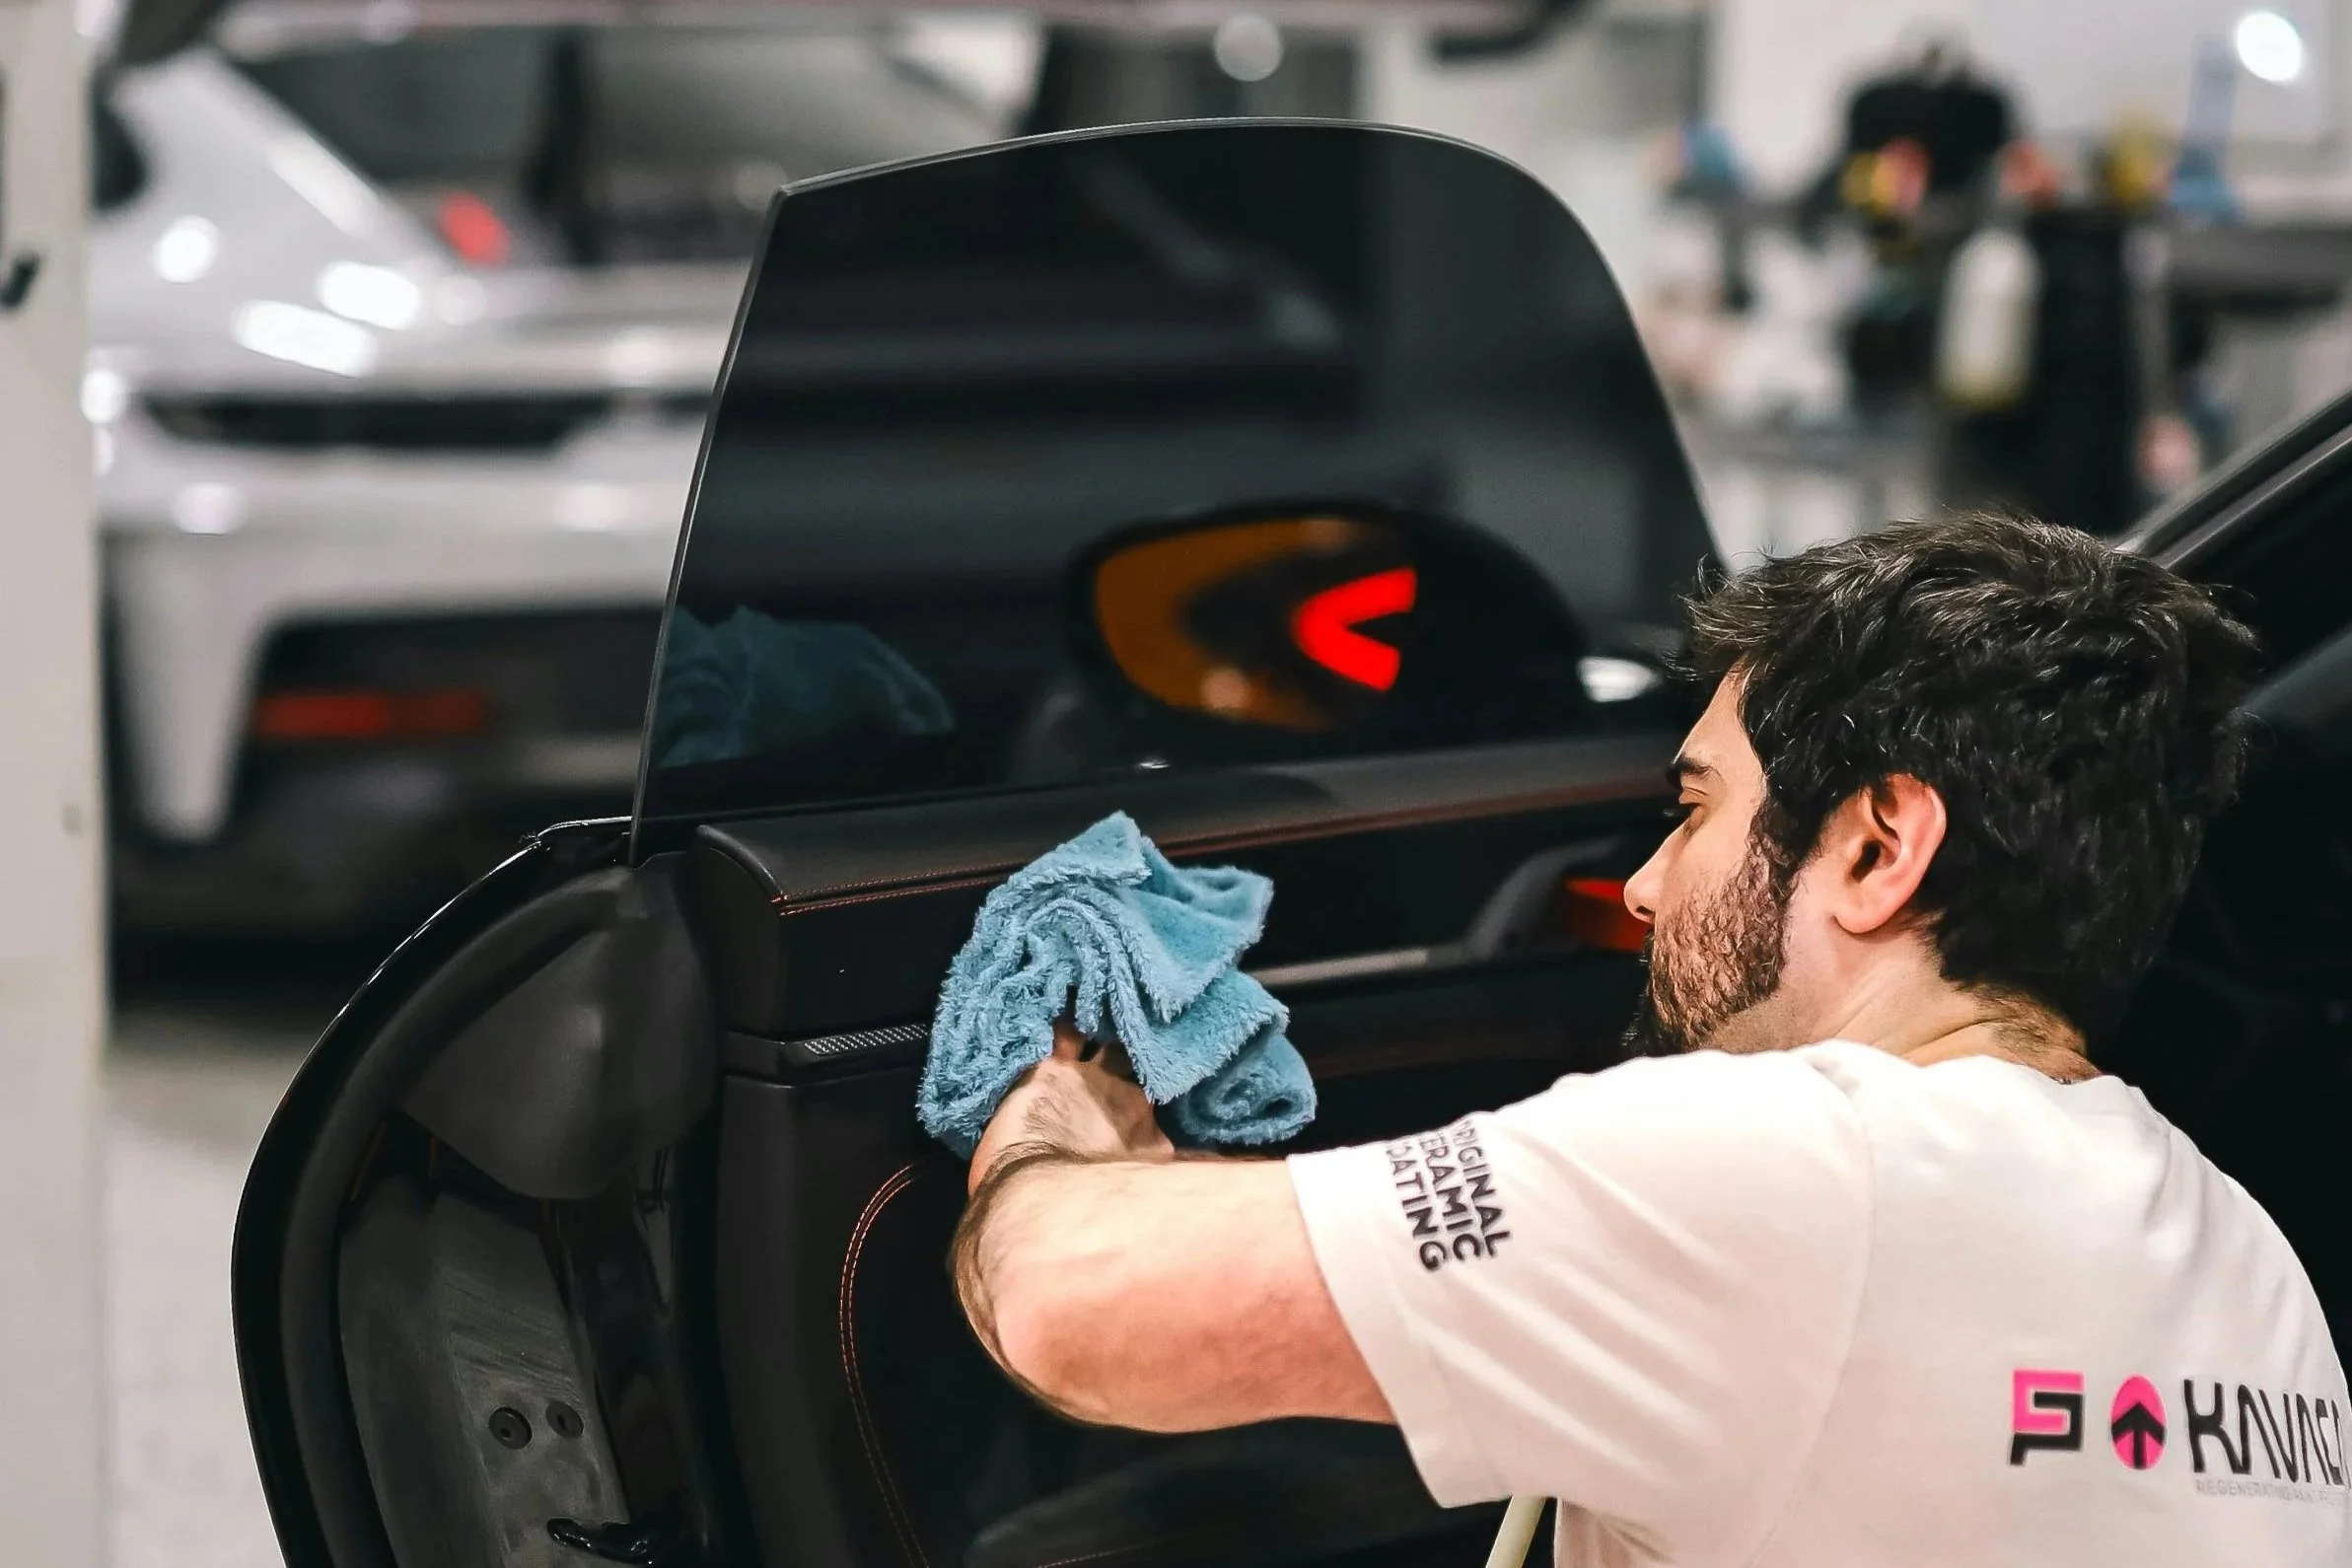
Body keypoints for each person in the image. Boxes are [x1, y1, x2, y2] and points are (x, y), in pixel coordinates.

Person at [951, 514, 2351, 1564]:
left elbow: (1067, 1304)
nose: (1646, 882)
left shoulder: (1790, 1166)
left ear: (1876, 846)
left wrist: (1052, 1099)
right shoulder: (2256, 1276)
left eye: (1696, 809)